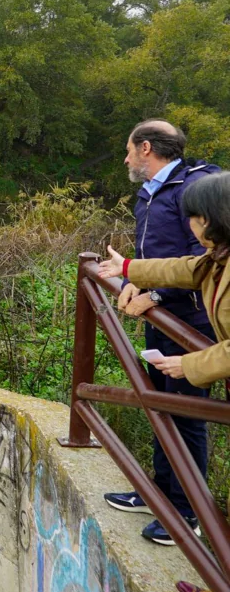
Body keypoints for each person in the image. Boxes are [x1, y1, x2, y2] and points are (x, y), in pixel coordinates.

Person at [98, 170, 230, 592]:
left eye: (194, 216)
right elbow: (180, 269)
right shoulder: (217, 258)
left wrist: (189, 365)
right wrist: (129, 269)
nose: (190, 224)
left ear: (215, 218)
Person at [103, 120, 219, 545]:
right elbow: (152, 253)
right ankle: (158, 494)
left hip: (193, 323)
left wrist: (156, 293)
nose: (126, 158)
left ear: (147, 148)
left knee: (187, 415)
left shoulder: (198, 189)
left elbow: (202, 257)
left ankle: (188, 513)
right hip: (162, 319)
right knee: (160, 408)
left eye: (130, 150)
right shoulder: (150, 193)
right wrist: (137, 282)